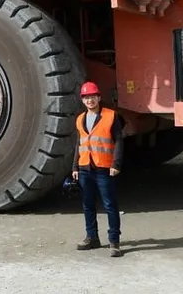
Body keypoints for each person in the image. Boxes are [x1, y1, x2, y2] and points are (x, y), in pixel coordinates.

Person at [72, 80, 124, 257]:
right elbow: (78, 144)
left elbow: (119, 140)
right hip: (85, 168)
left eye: (93, 96)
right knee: (87, 204)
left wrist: (116, 164)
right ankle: (92, 237)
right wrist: (75, 167)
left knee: (110, 205)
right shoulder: (80, 119)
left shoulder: (111, 116)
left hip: (104, 168)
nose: (90, 100)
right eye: (86, 97)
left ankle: (114, 242)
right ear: (82, 100)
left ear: (99, 98)